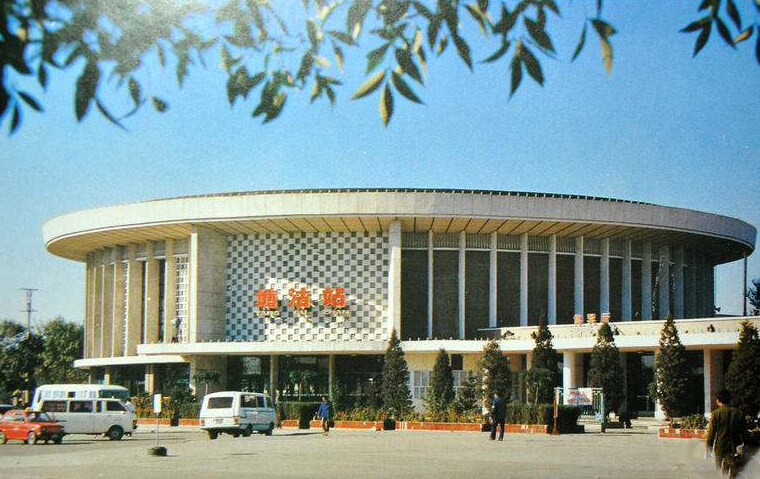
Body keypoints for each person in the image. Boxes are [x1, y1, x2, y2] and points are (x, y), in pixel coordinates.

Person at [706, 389, 746, 478]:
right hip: (734, 447)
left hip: (720, 448)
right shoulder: (737, 413)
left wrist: (709, 448)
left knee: (721, 472)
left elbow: (711, 434)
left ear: (718, 400)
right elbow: (743, 431)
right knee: (733, 472)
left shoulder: (715, 414)